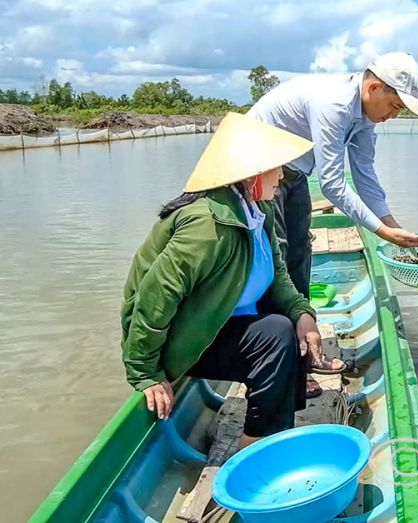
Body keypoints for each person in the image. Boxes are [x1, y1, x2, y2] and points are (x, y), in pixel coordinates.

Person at [120, 112, 346, 448]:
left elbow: (278, 272)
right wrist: (144, 371)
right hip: (189, 337)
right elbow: (155, 297)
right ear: (251, 175)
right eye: (276, 167)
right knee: (275, 334)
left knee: (290, 325)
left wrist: (303, 314)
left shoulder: (258, 210)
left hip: (225, 321)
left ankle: (276, 430)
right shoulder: (205, 227)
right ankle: (254, 445)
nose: (282, 176)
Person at [248, 51, 418, 303]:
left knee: (301, 247)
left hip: (296, 169)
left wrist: (391, 225)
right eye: (395, 106)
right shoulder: (334, 103)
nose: (394, 116)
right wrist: (381, 231)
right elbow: (332, 185)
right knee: (275, 251)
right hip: (259, 170)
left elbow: (364, 173)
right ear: (375, 87)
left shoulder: (366, 117)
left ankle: (301, 318)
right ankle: (275, 325)